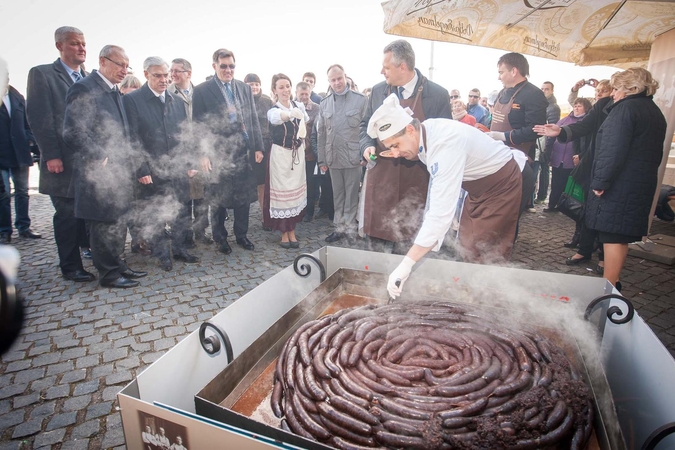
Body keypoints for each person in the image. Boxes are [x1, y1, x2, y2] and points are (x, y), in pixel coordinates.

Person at [367, 95, 523, 298]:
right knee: (467, 243)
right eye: (390, 148)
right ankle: (473, 293)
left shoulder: (445, 144)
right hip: (476, 188)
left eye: (395, 145)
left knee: (483, 249)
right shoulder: (425, 132)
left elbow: (440, 214)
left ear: (411, 130)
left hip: (500, 186)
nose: (394, 154)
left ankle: (489, 300)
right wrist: (431, 241)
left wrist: (406, 264)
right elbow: (438, 192)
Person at [63, 45, 147, 288]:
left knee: (118, 222)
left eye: (126, 66)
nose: (124, 70)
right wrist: (99, 155)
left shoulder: (114, 91)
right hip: (98, 173)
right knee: (102, 224)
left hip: (119, 173)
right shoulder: (84, 88)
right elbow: (72, 131)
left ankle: (119, 265)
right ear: (102, 61)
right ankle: (109, 275)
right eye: (119, 64)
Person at [360, 39, 451, 249]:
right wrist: (366, 146)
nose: (381, 71)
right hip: (382, 174)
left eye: (386, 67)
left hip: (417, 177)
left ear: (402, 67)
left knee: (411, 237)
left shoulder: (437, 95)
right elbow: (364, 126)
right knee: (378, 239)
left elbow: (443, 141)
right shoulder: (378, 91)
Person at [583, 68, 666, 290]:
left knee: (611, 235)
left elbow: (612, 150)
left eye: (617, 88)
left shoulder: (626, 109)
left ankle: (609, 287)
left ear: (631, 88)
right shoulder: (653, 111)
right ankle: (612, 280)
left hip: (620, 184)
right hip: (638, 182)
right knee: (619, 235)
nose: (613, 94)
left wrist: (601, 182)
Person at [26, 26, 94, 282]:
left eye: (83, 43)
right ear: (60, 46)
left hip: (87, 162)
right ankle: (70, 265)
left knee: (84, 212)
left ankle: (87, 251)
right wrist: (51, 154)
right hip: (61, 162)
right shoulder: (43, 74)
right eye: (75, 43)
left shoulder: (87, 78)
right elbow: (39, 117)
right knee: (66, 214)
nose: (81, 48)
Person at [123, 56, 198, 272]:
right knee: (156, 213)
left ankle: (180, 249)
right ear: (146, 74)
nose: (164, 79)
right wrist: (141, 168)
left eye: (166, 75)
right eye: (158, 75)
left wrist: (190, 161)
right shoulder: (133, 100)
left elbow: (185, 135)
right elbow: (132, 138)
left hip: (177, 167)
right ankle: (162, 254)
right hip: (151, 170)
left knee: (182, 210)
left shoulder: (175, 100)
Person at [192, 48, 264, 255]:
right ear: (214, 66)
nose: (228, 70)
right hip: (217, 153)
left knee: (243, 197)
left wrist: (258, 146)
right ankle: (220, 238)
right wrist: (203, 153)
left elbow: (252, 119)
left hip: (243, 150)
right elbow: (198, 125)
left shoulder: (243, 87)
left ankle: (241, 235)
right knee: (218, 198)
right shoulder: (202, 90)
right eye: (223, 66)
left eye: (231, 66)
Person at [534, 81, 612, 270]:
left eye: (605, 91)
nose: (600, 94)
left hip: (605, 167)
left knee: (603, 215)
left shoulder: (620, 110)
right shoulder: (599, 108)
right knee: (585, 209)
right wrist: (561, 131)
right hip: (589, 164)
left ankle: (603, 255)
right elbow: (582, 128)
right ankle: (584, 248)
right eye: (597, 91)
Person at [317, 65, 368, 243]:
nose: (337, 83)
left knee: (352, 194)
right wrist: (322, 159)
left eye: (339, 78)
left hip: (353, 157)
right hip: (333, 157)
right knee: (337, 195)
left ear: (345, 77)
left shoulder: (361, 100)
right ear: (329, 81)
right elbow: (321, 133)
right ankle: (339, 228)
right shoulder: (324, 103)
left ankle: (350, 229)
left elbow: (366, 129)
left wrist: (364, 154)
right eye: (333, 80)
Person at [263, 74, 308, 248]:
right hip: (280, 156)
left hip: (296, 156)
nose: (285, 90)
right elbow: (277, 118)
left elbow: (306, 123)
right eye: (280, 87)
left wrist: (300, 113)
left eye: (287, 86)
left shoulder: (299, 106)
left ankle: (292, 230)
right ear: (274, 90)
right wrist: (290, 114)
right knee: (282, 196)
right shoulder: (273, 110)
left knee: (295, 194)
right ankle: (283, 232)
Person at [168, 58, 209, 246]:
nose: (173, 74)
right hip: (180, 152)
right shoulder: (168, 94)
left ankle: (201, 231)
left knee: (202, 196)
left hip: (202, 150)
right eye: (172, 71)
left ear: (189, 73)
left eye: (178, 70)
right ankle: (186, 236)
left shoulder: (200, 92)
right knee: (184, 197)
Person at [1, 80, 41, 243]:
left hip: (20, 152)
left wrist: (30, 140)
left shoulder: (17, 96)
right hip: (1, 154)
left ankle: (24, 227)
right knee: (3, 194)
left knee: (22, 192)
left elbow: (27, 124)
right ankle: (4, 230)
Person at [543, 97, 592, 213]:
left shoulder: (586, 122)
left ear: (586, 108)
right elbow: (553, 136)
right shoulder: (565, 120)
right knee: (555, 183)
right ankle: (552, 204)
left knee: (569, 184)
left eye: (579, 106)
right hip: (558, 158)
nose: (576, 108)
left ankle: (568, 207)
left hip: (573, 159)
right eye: (575, 106)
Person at [244, 73, 273, 229]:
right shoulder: (241, 101)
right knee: (248, 184)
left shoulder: (268, 101)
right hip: (247, 147)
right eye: (250, 84)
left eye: (256, 84)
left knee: (263, 183)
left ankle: (264, 215)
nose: (254, 87)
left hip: (266, 145)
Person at [295, 81, 320, 222]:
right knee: (296, 184)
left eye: (306, 94)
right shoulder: (291, 107)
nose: (304, 96)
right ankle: (298, 211)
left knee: (310, 184)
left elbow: (317, 131)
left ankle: (309, 211)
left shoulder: (317, 108)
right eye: (301, 94)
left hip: (309, 153)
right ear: (297, 93)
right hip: (294, 154)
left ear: (310, 93)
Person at [534, 81, 561, 206]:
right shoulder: (543, 105)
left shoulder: (553, 107)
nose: (544, 91)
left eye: (547, 89)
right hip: (541, 141)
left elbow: (552, 127)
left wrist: (547, 148)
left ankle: (542, 196)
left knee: (544, 169)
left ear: (552, 91)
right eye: (542, 89)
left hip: (546, 142)